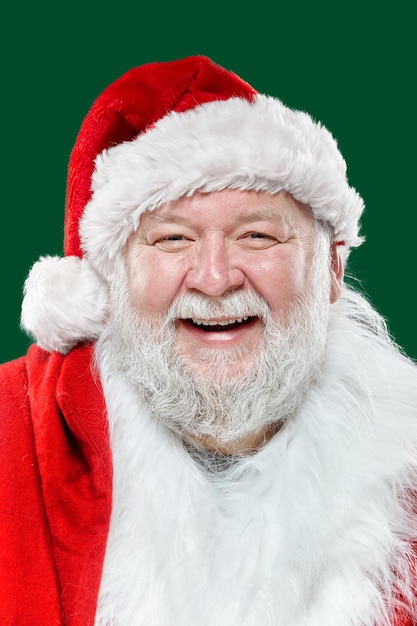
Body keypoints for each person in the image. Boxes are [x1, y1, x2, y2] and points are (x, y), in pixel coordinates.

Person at [0, 55, 416, 626]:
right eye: (172, 239)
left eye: (258, 235)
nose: (215, 278)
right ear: (111, 283)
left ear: (332, 272)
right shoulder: (12, 428)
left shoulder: (404, 462)